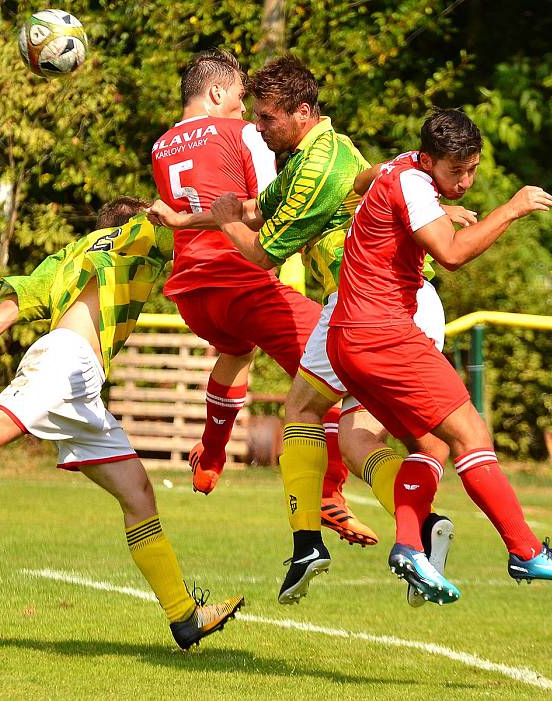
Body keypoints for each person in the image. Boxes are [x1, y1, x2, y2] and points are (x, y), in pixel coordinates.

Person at [0, 197, 244, 649]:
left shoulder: (64, 259)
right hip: (68, 361)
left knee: (137, 493)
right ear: (133, 221)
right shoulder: (141, 232)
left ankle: (184, 618)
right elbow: (203, 224)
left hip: (80, 379)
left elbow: (8, 309)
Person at [326, 109, 552, 604]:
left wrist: (429, 204)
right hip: (383, 336)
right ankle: (526, 550)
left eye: (473, 169)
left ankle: (409, 546)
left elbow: (362, 180)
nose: (467, 182)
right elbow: (449, 254)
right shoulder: (412, 182)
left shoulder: (400, 169)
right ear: (429, 161)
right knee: (471, 431)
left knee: (433, 445)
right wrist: (510, 209)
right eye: (457, 172)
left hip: (348, 341)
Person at [151, 54, 380, 604]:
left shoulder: (160, 146)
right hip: (242, 280)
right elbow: (270, 207)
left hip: (193, 292)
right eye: (240, 99)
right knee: (344, 371)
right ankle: (330, 495)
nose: (251, 114)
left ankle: (209, 456)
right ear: (216, 95)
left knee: (235, 354)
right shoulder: (243, 133)